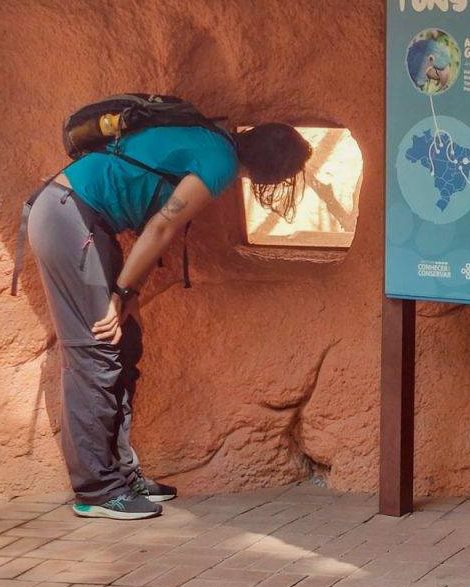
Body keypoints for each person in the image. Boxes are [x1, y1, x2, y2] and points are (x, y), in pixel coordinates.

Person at [23, 120, 311, 520]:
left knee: (126, 342)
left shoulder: (214, 145)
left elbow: (153, 222)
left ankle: (123, 476)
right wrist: (120, 293)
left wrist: (129, 295)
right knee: (96, 350)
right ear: (273, 168)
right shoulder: (219, 161)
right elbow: (163, 226)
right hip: (67, 217)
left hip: (86, 222)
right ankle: (97, 490)